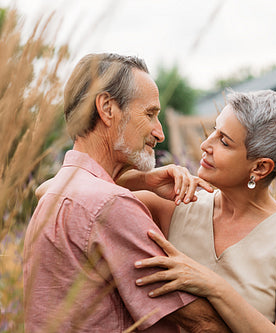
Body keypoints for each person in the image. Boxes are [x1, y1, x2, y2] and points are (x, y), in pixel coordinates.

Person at [23, 53, 230, 332]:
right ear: (107, 108)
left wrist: (141, 181)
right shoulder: (112, 205)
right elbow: (201, 323)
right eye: (150, 114)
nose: (160, 133)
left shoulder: (56, 193)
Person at [120, 90, 276, 332]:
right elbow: (89, 192)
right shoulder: (179, 203)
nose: (205, 145)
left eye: (224, 141)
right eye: (213, 132)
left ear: (260, 167)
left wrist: (214, 287)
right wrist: (145, 180)